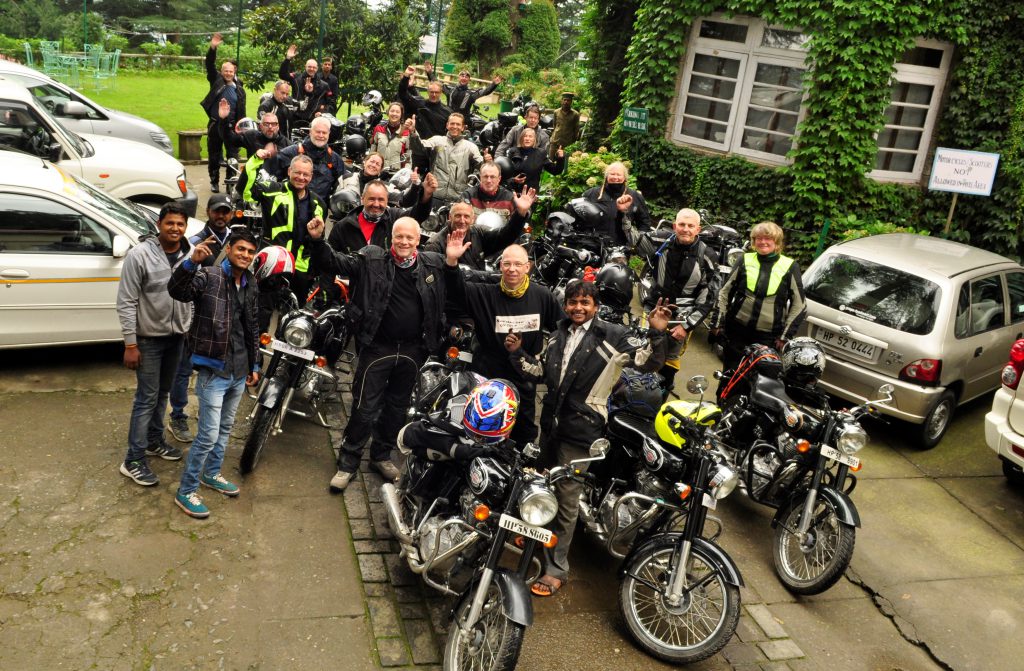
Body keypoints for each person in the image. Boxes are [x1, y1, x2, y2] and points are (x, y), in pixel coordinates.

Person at [504, 281, 672, 596]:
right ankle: (534, 533)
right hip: (552, 426)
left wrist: (657, 332)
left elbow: (648, 363)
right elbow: (538, 371)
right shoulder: (558, 334)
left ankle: (556, 569)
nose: (578, 308)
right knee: (540, 485)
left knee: (567, 500)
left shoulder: (614, 335)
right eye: (572, 302)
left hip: (583, 431)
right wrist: (516, 353)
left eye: (584, 302)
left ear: (594, 305)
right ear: (565, 305)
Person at [307, 216, 451, 492]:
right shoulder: (372, 260)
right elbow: (334, 262)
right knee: (364, 407)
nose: (405, 242)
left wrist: (454, 262)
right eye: (400, 237)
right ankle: (348, 463)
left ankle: (381, 456)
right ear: (391, 239)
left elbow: (456, 287)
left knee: (397, 408)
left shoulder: (432, 263)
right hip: (377, 347)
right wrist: (317, 240)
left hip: (412, 350)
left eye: (410, 237)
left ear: (418, 239)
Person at [168, 228, 261, 519]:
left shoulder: (249, 282)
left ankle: (211, 474)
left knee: (224, 431)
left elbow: (252, 326)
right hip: (213, 370)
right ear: (230, 249)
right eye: (240, 249)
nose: (245, 255)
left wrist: (255, 365)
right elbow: (177, 291)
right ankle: (186, 489)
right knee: (207, 435)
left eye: (250, 251)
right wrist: (190, 263)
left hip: (238, 369)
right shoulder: (208, 276)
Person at [445, 242, 560, 445]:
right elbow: (455, 290)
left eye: (518, 264)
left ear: (528, 267)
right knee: (482, 429)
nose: (512, 269)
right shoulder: (484, 294)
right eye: (507, 264)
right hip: (488, 375)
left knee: (524, 434)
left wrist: (548, 359)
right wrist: (452, 262)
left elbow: (561, 329)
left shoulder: (543, 296)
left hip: (523, 376)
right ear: (500, 267)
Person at [116, 202, 194, 486]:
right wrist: (130, 343)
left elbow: (193, 295)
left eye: (180, 224)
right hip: (148, 340)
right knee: (146, 398)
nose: (175, 229)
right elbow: (126, 301)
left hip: (177, 338)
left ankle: (153, 440)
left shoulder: (190, 254)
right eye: (170, 223)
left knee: (163, 394)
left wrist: (188, 328)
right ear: (159, 224)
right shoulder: (139, 256)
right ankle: (133, 459)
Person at [168, 194, 237, 443]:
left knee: (212, 370)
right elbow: (180, 279)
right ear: (208, 212)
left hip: (221, 317)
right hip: (195, 316)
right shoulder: (194, 241)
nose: (221, 216)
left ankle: (208, 412)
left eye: (225, 212)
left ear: (231, 214)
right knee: (184, 369)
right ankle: (177, 414)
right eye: (217, 211)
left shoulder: (235, 240)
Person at [643, 208, 721, 398]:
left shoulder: (707, 255)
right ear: (674, 226)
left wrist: (687, 326)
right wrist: (624, 213)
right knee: (645, 354)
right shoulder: (661, 241)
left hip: (681, 320)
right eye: (682, 224)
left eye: (690, 225)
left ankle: (660, 401)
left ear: (698, 229)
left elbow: (709, 296)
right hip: (653, 309)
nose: (685, 229)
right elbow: (635, 240)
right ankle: (638, 400)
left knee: (669, 362)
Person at [712, 221, 807, 372]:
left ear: (776, 242)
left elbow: (799, 305)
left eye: (767, 238)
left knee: (758, 379)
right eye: (758, 238)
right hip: (737, 331)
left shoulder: (790, 266)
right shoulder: (744, 259)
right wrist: (718, 322)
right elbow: (724, 291)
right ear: (753, 241)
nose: (762, 242)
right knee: (730, 375)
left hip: (767, 338)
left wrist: (784, 336)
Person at [252, 154, 328, 304]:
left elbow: (319, 239)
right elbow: (245, 190)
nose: (301, 177)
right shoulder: (272, 191)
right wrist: (255, 160)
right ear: (289, 172)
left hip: (300, 267)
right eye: (297, 172)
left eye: (305, 174)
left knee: (295, 312)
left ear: (311, 176)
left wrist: (317, 238)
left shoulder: (319, 204)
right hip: (273, 263)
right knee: (263, 309)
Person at [423, 187, 535, 272]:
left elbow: (505, 236)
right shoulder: (434, 244)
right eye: (458, 216)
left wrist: (520, 214)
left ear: (472, 219)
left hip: (477, 291)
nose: (462, 220)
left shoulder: (479, 233)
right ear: (449, 217)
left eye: (466, 216)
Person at [328, 174, 436, 255]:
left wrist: (426, 195)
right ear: (362, 199)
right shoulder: (344, 226)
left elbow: (417, 216)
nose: (376, 204)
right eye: (371, 199)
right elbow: (330, 260)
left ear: (387, 201)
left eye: (381, 200)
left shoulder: (394, 218)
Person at [200, 33, 246, 194]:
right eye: (225, 71)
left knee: (233, 156)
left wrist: (241, 125)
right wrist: (212, 47)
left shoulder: (239, 86)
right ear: (221, 71)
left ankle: (230, 183)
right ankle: (214, 181)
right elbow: (209, 64)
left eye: (231, 71)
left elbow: (242, 107)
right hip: (215, 124)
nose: (228, 73)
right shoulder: (216, 80)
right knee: (214, 155)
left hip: (232, 127)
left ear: (235, 72)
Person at [217, 100, 288, 202]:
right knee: (236, 206)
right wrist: (224, 119)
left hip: (275, 191)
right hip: (249, 186)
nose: (270, 127)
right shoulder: (252, 136)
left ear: (278, 126)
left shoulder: (286, 144)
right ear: (260, 126)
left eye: (274, 124)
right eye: (267, 124)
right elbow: (230, 139)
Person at [408, 112, 484, 207]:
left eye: (458, 124)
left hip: (459, 199)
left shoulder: (471, 147)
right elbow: (418, 147)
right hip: (434, 196)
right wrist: (413, 132)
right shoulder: (437, 141)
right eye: (452, 123)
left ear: (463, 127)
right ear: (447, 125)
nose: (454, 126)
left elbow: (482, 168)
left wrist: (486, 161)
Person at [269, 116, 348, 202]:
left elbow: (343, 185)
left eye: (324, 133)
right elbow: (269, 178)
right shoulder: (290, 153)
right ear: (310, 132)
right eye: (318, 132)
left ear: (329, 133)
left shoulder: (335, 159)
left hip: (319, 210)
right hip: (291, 207)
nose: (321, 135)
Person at [580, 161, 651, 247]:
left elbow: (644, 222)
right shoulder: (591, 194)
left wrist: (638, 243)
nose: (615, 177)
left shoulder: (634, 196)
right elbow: (580, 218)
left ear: (625, 177)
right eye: (612, 174)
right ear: (606, 176)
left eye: (618, 174)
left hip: (621, 247)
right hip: (594, 245)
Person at [398, 65, 452, 174]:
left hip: (437, 150)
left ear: (441, 93)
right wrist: (406, 76)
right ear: (427, 91)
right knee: (416, 178)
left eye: (436, 92)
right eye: (431, 92)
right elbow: (403, 93)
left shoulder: (447, 112)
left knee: (435, 178)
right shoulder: (419, 103)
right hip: (419, 148)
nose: (433, 94)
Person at [424, 63, 502, 118]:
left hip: (463, 121)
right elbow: (437, 83)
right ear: (459, 77)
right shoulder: (450, 89)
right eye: (462, 76)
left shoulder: (472, 93)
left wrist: (494, 84)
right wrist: (429, 72)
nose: (464, 78)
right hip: (448, 117)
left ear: (469, 80)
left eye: (466, 77)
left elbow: (485, 91)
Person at [505, 127, 564, 192]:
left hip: (531, 193)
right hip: (513, 192)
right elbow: (504, 176)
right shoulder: (513, 151)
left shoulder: (540, 153)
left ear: (534, 139)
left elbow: (556, 171)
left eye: (530, 136)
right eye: (525, 136)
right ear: (521, 138)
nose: (527, 139)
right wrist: (513, 180)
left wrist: (560, 158)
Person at [279, 44, 328, 118]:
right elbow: (282, 75)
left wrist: (321, 112)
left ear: (317, 68)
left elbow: (328, 103)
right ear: (305, 67)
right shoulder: (296, 77)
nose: (311, 69)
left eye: (314, 67)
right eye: (309, 67)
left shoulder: (323, 85)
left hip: (312, 118)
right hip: (295, 115)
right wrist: (288, 59)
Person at [371, 102, 410, 172]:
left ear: (401, 115)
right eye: (392, 111)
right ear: (388, 112)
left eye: (397, 112)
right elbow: (373, 149)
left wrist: (406, 171)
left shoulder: (406, 132)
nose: (394, 114)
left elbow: (408, 155)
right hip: (378, 171)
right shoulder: (379, 128)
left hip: (396, 173)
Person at [548, 92, 581, 161]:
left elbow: (576, 129)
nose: (566, 102)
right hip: (555, 140)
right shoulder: (556, 112)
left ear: (571, 102)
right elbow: (555, 125)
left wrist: (573, 141)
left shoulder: (575, 114)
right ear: (561, 101)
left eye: (568, 100)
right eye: (564, 100)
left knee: (565, 162)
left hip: (567, 143)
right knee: (551, 160)